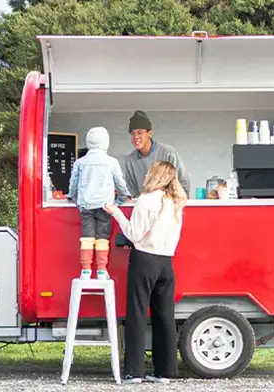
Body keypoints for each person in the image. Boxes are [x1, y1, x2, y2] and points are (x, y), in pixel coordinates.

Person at [104, 161, 187, 384]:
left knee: (138, 315)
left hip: (144, 260)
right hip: (166, 263)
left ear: (155, 176)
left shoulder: (146, 200)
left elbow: (133, 233)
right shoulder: (176, 203)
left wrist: (116, 212)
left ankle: (134, 372)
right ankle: (166, 371)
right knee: (165, 317)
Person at [66, 126, 130, 280]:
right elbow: (120, 184)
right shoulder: (111, 162)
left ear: (88, 142)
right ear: (106, 142)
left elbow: (73, 185)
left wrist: (74, 199)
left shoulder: (80, 162)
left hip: (86, 206)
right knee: (102, 238)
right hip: (105, 207)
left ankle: (86, 270)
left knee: (87, 237)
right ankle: (101, 270)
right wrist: (121, 199)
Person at [124, 110, 190, 198]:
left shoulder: (168, 153)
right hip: (143, 206)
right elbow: (132, 191)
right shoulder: (130, 161)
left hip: (167, 205)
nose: (136, 137)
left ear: (149, 133)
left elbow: (183, 184)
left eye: (140, 133)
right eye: (132, 134)